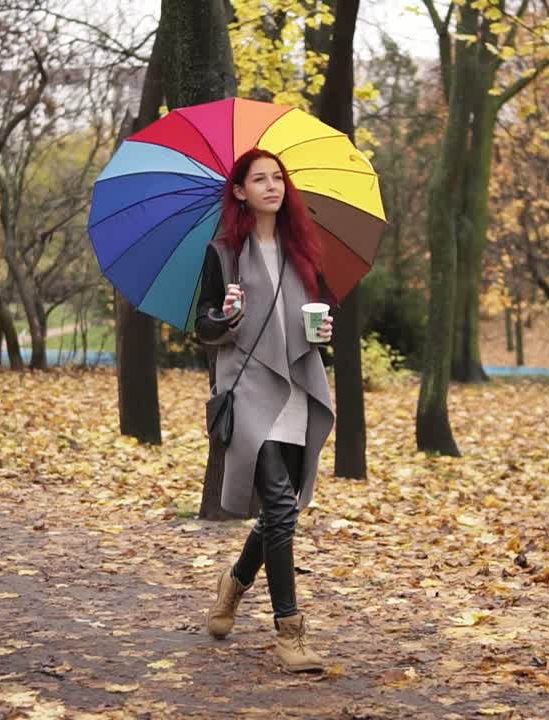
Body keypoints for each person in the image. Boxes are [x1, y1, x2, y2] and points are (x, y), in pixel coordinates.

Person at [194, 148, 336, 673]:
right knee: (279, 506)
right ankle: (290, 635)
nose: (272, 186)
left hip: (296, 383)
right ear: (239, 191)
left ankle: (233, 584)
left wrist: (323, 332)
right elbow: (203, 327)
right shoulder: (224, 253)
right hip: (250, 387)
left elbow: (315, 324)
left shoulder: (303, 251)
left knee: (283, 510)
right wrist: (224, 315)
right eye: (260, 179)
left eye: (278, 178)